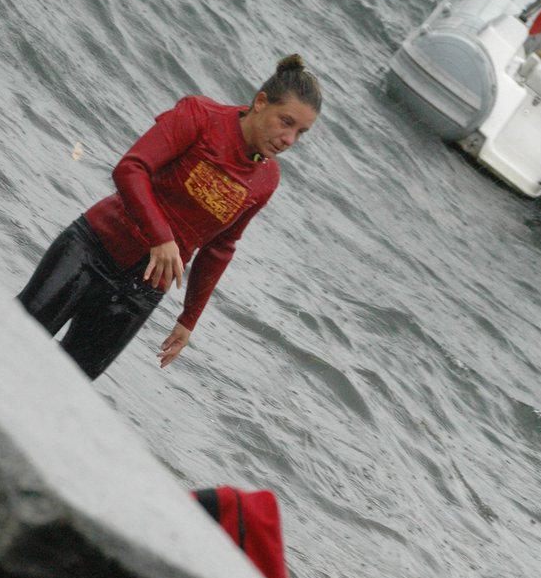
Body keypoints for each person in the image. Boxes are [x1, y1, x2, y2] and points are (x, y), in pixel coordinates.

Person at [17, 54, 321, 379]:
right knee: (15, 337)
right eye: (286, 122)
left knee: (67, 384)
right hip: (92, 248)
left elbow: (221, 247)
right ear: (261, 102)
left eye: (301, 132)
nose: (289, 140)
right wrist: (162, 238)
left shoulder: (266, 180)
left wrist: (189, 319)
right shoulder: (200, 115)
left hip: (140, 291)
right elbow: (131, 169)